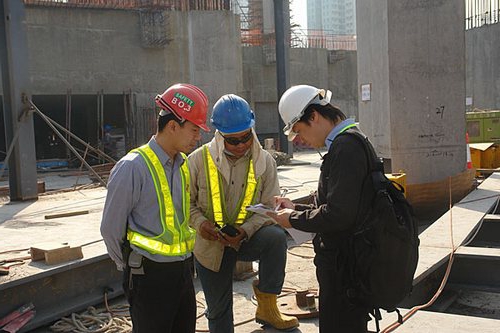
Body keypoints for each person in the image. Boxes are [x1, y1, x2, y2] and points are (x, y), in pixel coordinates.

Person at [100, 83, 210, 333]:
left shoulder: (182, 166)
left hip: (182, 272)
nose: (198, 137)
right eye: (194, 130)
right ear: (173, 126)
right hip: (148, 276)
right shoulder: (133, 167)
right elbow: (110, 229)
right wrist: (131, 266)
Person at [188, 94, 299, 332]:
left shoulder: (264, 162)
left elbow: (271, 207)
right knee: (218, 311)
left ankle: (268, 308)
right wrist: (201, 225)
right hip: (211, 245)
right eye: (233, 140)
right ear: (219, 135)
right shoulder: (197, 161)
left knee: (276, 238)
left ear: (251, 130)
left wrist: (245, 230)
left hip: (245, 238)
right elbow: (185, 204)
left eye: (245, 138)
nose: (240, 145)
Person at [270, 85, 375, 332]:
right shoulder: (350, 141)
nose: (298, 139)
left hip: (345, 269)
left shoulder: (345, 147)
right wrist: (296, 206)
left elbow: (339, 215)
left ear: (314, 116)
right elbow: (339, 202)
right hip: (348, 265)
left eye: (298, 130)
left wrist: (292, 219)